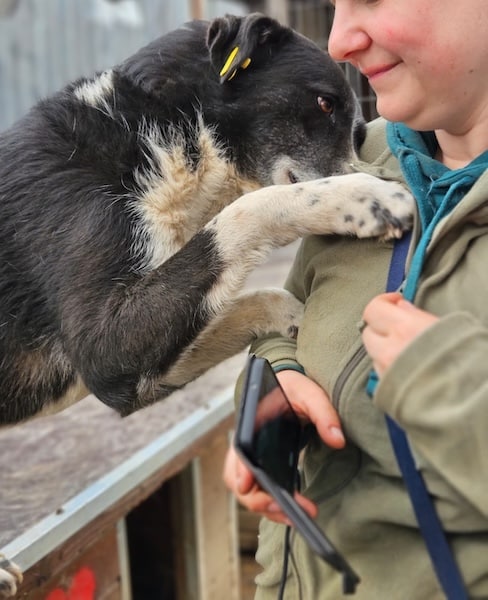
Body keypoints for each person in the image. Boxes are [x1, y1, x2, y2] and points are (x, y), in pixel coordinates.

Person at [223, 0, 488, 598]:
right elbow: (292, 323)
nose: (339, 42)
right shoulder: (357, 163)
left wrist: (451, 385)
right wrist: (275, 384)